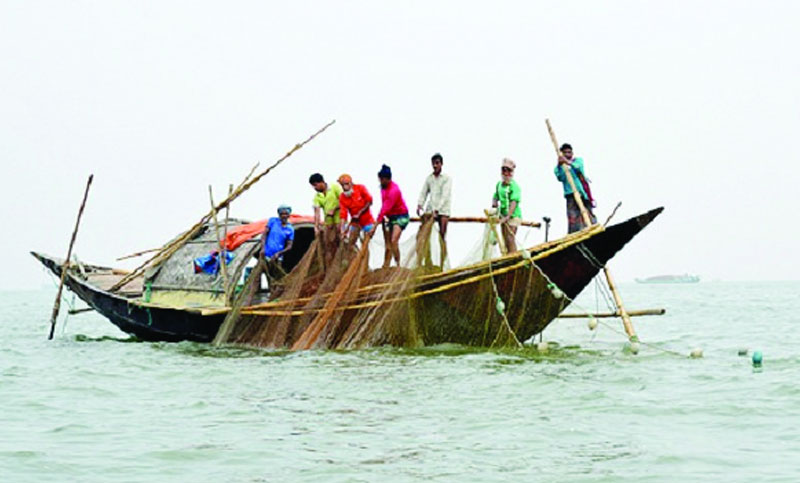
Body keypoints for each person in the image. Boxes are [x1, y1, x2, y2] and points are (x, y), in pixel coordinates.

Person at [370, 164, 410, 268]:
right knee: (387, 244)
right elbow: (384, 205)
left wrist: (374, 228)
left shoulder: (394, 191)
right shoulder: (382, 188)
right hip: (389, 217)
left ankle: (398, 264)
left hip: (401, 216)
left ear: (388, 179)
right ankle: (386, 265)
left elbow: (384, 208)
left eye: (382, 179)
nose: (380, 181)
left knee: (393, 241)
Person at [417, 152, 452, 266]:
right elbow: (424, 192)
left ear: (441, 164)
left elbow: (445, 195)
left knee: (442, 235)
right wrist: (420, 204)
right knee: (424, 234)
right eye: (433, 163)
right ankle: (428, 260)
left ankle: (442, 262)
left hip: (443, 210)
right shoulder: (429, 178)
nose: (435, 166)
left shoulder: (447, 179)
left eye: (437, 163)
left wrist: (437, 210)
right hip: (431, 209)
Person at [554, 143, 597, 233]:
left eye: (569, 152)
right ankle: (575, 233)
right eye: (565, 153)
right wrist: (560, 164)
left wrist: (567, 161)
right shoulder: (559, 168)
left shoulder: (578, 160)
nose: (567, 154)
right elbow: (560, 177)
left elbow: (578, 167)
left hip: (581, 192)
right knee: (573, 216)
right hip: (570, 194)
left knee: (587, 213)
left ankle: (592, 228)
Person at [309, 173, 343, 267]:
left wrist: (334, 209)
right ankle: (330, 267)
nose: (315, 188)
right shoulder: (317, 196)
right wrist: (316, 226)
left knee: (340, 241)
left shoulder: (334, 188)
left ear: (321, 182)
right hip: (328, 222)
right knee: (329, 245)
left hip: (339, 220)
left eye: (315, 185)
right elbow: (317, 211)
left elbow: (344, 201)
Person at [491, 158, 522, 253]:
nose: (506, 172)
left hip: (513, 216)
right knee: (504, 239)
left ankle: (513, 257)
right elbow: (495, 196)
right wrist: (494, 203)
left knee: (510, 238)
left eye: (508, 170)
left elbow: (514, 202)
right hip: (503, 215)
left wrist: (508, 216)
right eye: (504, 170)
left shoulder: (514, 186)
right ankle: (506, 256)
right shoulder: (499, 184)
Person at [338, 174, 375, 244]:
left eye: (346, 184)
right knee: (351, 242)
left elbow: (369, 201)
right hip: (355, 224)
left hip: (367, 222)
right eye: (342, 185)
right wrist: (342, 229)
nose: (344, 187)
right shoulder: (342, 197)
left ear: (351, 183)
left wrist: (359, 213)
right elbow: (343, 214)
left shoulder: (360, 188)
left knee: (368, 243)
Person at [261, 204, 295, 280]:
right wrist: (263, 248)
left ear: (289, 215)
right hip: (266, 255)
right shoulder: (273, 221)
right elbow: (264, 235)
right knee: (266, 275)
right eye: (282, 214)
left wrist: (279, 253)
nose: (284, 216)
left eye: (286, 214)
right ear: (279, 215)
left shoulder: (290, 229)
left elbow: (289, 246)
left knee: (277, 277)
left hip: (278, 258)